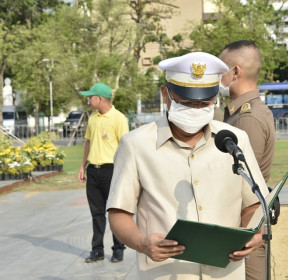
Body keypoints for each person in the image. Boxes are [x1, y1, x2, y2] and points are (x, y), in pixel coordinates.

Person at [106, 52, 270, 279]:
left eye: (205, 102)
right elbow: (118, 212)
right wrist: (143, 243)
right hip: (164, 272)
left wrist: (254, 233)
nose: (196, 108)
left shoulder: (234, 140)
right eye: (186, 101)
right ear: (166, 94)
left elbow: (253, 204)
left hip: (224, 273)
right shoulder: (136, 145)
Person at [219, 40, 276, 280]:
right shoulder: (243, 112)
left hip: (245, 227)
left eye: (221, 69)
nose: (217, 77)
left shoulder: (247, 118)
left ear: (235, 72)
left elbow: (243, 182)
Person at [78, 82, 129, 263]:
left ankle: (118, 248)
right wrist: (83, 166)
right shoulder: (92, 118)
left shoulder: (119, 118)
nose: (89, 100)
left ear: (99, 99)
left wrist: (125, 172)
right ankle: (97, 250)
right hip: (93, 171)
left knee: (114, 211)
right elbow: (88, 143)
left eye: (90, 97)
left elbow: (125, 146)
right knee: (96, 213)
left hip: (111, 170)